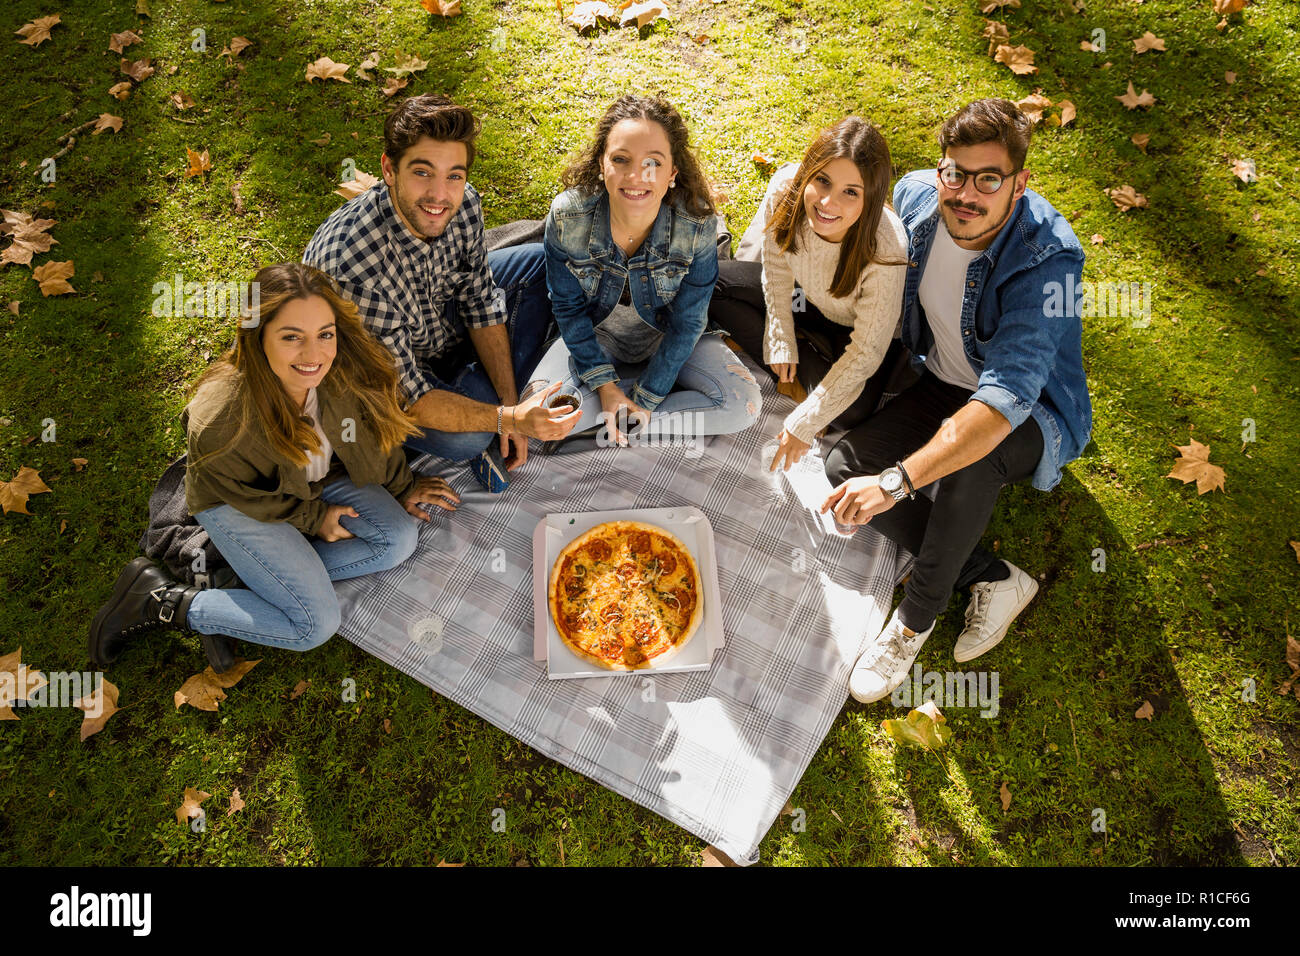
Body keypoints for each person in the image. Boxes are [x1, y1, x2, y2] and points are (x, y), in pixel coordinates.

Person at [819, 99, 1093, 702]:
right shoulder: (919, 196)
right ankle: (989, 576)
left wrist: (896, 483)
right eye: (956, 174)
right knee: (841, 466)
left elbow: (1002, 403)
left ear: (1020, 184)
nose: (967, 195)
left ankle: (914, 620)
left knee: (974, 458)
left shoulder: (1049, 263)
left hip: (1033, 411)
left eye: (989, 179)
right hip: (941, 380)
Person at [88, 263, 460, 673]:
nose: (314, 355)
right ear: (257, 335)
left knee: (398, 539)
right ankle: (159, 599)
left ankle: (236, 585)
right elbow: (241, 493)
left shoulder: (342, 370)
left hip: (316, 480)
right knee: (314, 625)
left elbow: (370, 439)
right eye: (291, 338)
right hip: (242, 502)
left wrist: (402, 485)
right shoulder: (221, 417)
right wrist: (314, 518)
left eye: (324, 334)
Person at [303, 94, 579, 493]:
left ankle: (482, 400)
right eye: (422, 172)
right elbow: (408, 397)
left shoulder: (462, 203)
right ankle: (476, 415)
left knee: (538, 262)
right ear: (388, 169)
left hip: (435, 321)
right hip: (384, 379)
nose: (440, 195)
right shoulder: (352, 266)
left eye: (454, 175)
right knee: (461, 439)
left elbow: (481, 302)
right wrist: (511, 420)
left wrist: (509, 405)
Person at [528, 94, 761, 450]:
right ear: (601, 164)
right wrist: (605, 386)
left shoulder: (697, 225)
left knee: (741, 406)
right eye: (621, 160)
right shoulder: (567, 217)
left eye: (653, 162)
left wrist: (648, 398)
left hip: (667, 339)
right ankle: (617, 411)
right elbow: (568, 310)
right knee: (539, 416)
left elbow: (688, 323)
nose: (636, 176)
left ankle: (620, 423)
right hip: (596, 337)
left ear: (672, 174)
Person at [707, 117, 909, 472]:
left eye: (851, 192)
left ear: (871, 197)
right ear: (808, 174)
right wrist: (780, 331)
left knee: (851, 413)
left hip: (858, 330)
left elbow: (866, 352)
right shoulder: (787, 190)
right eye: (822, 180)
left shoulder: (886, 247)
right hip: (808, 302)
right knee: (714, 284)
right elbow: (776, 262)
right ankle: (802, 352)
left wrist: (805, 421)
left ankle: (808, 361)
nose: (828, 203)